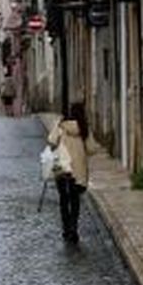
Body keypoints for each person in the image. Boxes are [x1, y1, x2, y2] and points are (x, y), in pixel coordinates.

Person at [47, 102, 90, 243]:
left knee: (63, 199)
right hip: (77, 169)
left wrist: (57, 127)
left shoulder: (61, 125)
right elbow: (92, 148)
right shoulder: (83, 128)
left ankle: (66, 229)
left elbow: (51, 141)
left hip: (61, 166)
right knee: (75, 199)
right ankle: (74, 228)